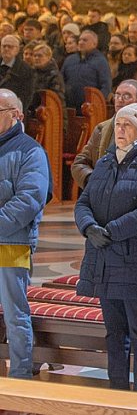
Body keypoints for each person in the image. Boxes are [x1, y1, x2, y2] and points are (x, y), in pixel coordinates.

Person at [74, 103, 137, 392]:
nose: (120, 129)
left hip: (134, 260)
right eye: (117, 124)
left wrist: (111, 231)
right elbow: (83, 202)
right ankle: (116, 395)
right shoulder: (104, 162)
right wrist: (89, 227)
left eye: (127, 125)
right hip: (104, 258)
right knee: (114, 334)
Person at [0, 89, 50, 378]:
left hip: (13, 243)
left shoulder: (30, 150)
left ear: (15, 115)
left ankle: (20, 377)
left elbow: (30, 199)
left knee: (14, 312)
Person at [72, 80, 137, 189]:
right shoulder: (101, 129)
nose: (120, 100)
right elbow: (79, 163)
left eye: (127, 96)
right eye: (117, 95)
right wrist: (92, 179)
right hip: (100, 195)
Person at [61, 30, 112, 112]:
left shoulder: (101, 61)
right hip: (69, 107)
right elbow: (61, 81)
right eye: (80, 40)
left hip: (90, 109)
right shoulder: (70, 59)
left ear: (94, 44)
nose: (81, 42)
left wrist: (95, 103)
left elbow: (106, 86)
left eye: (85, 40)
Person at [0, 35, 34, 111]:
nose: (6, 49)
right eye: (4, 46)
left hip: (13, 112)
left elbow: (26, 96)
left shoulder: (25, 70)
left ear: (17, 50)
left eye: (10, 47)